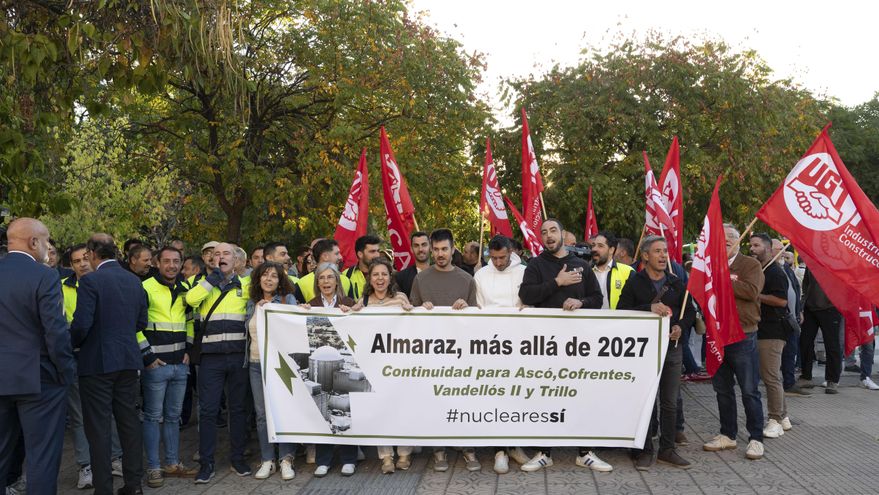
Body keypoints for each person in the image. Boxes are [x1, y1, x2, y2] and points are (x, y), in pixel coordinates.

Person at [518, 218, 608, 472]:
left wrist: (581, 303)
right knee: (546, 398)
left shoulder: (581, 265)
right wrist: (557, 282)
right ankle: (544, 452)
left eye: (553, 231)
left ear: (562, 234)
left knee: (580, 396)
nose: (548, 236)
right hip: (544, 345)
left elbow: (597, 299)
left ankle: (585, 452)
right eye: (544, 232)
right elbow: (527, 295)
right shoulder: (535, 265)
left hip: (576, 345)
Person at [0, 218, 76, 495]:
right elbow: (55, 332)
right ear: (33, 242)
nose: (48, 246)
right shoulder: (44, 275)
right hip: (40, 378)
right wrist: (66, 372)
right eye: (46, 240)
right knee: (42, 457)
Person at [70, 233, 148, 495]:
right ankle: (133, 484)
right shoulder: (133, 281)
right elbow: (141, 323)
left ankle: (103, 488)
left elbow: (81, 324)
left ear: (93, 253)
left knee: (99, 429)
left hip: (96, 363)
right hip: (127, 359)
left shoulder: (91, 281)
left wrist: (72, 343)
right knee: (129, 424)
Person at [618, 235, 694, 470]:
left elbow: (688, 312)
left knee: (670, 402)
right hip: (643, 353)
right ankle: (643, 450)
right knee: (646, 401)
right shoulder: (635, 281)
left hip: (671, 350)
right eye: (658, 251)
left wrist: (680, 327)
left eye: (665, 251)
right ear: (645, 256)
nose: (663, 256)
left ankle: (667, 449)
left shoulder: (676, 283)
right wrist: (648, 308)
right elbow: (622, 311)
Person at [409, 228, 480, 472]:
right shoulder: (421, 279)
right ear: (431, 249)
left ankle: (468, 449)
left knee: (463, 401)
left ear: (452, 250)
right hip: (430, 354)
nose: (440, 254)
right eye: (436, 249)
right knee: (435, 402)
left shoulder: (467, 279)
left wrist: (467, 308)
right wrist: (421, 309)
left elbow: (478, 319)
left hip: (461, 355)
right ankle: (439, 450)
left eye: (444, 249)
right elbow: (410, 317)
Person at [186, 242, 252, 483]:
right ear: (211, 260)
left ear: (236, 261)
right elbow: (191, 301)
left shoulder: (246, 285)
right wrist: (212, 279)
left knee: (237, 410)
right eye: (216, 254)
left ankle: (237, 458)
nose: (220, 257)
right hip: (210, 359)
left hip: (238, 356)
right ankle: (206, 463)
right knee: (209, 410)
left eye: (226, 254)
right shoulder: (203, 284)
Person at [702, 224, 765, 460]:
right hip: (716, 335)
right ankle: (727, 434)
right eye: (722, 237)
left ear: (739, 241)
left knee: (749, 390)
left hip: (742, 334)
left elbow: (751, 291)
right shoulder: (709, 264)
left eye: (731, 237)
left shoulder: (751, 265)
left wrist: (722, 278)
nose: (726, 240)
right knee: (722, 389)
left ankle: (756, 438)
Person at [138, 246, 199, 487]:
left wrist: (188, 349)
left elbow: (190, 321)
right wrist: (147, 356)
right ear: (157, 263)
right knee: (153, 417)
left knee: (173, 417)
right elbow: (134, 325)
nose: (172, 265)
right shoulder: (144, 288)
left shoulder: (186, 290)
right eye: (167, 261)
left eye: (176, 261)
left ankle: (172, 463)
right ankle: (153, 467)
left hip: (179, 365)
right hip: (156, 366)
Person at [472, 235, 531, 474]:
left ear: (511, 253)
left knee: (516, 394)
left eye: (502, 258)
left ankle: (514, 445)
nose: (497, 262)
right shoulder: (480, 275)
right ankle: (499, 450)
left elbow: (530, 302)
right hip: (490, 345)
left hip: (519, 343)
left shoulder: (524, 272)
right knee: (495, 395)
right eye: (494, 258)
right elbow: (477, 308)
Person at [348, 258, 414, 474]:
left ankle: (404, 453)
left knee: (402, 408)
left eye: (384, 274)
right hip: (374, 365)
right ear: (370, 278)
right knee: (381, 409)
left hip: (398, 365)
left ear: (390, 276)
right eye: (375, 274)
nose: (380, 279)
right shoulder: (364, 300)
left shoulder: (400, 297)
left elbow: (411, 316)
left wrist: (399, 306)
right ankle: (386, 456)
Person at [300, 262, 358, 477]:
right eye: (321, 278)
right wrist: (300, 312)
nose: (326, 282)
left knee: (343, 408)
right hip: (319, 364)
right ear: (317, 283)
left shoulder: (348, 303)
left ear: (337, 281)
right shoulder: (311, 304)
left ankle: (349, 459)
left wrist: (351, 312)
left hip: (343, 363)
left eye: (329, 277)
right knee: (323, 410)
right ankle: (323, 460)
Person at [245, 262, 298, 481]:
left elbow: (296, 326)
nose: (269, 279)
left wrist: (301, 310)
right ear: (258, 279)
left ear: (280, 280)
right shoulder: (251, 303)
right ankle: (268, 459)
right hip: (256, 363)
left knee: (283, 410)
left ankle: (286, 458)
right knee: (262, 414)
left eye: (274, 276)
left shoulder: (287, 299)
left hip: (280, 364)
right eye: (265, 275)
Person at [749, 233, 791, 439]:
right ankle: (783, 416)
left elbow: (782, 301)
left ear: (767, 248)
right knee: (772, 375)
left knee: (770, 377)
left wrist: (755, 295)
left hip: (772, 331)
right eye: (751, 245)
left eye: (756, 245)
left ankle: (774, 419)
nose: (752, 248)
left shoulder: (775, 271)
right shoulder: (760, 269)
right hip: (763, 329)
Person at [772, 240, 810, 397]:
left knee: (791, 351)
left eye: (783, 249)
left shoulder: (786, 268)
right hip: (777, 319)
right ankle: (776, 384)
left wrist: (799, 310)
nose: (783, 252)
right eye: (779, 249)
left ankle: (789, 383)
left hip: (791, 318)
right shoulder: (767, 268)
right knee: (776, 355)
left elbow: (796, 287)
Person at [799, 268, 843, 394]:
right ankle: (806, 376)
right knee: (805, 342)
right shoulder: (811, 262)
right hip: (810, 309)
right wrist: (802, 305)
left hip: (831, 309)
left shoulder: (836, 262)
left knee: (832, 345)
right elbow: (806, 285)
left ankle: (832, 380)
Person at [589, 231, 634, 310]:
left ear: (611, 250)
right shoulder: (586, 272)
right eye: (593, 245)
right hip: (589, 320)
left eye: (600, 246)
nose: (594, 249)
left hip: (618, 321)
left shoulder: (628, 272)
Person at [345, 235, 382, 300]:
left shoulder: (388, 275)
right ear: (360, 254)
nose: (377, 255)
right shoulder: (346, 275)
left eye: (378, 251)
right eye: (372, 251)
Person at [396, 231, 430, 297]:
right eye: (416, 245)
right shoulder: (401, 277)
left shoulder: (442, 272)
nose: (420, 249)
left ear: (430, 247)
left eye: (424, 245)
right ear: (411, 249)